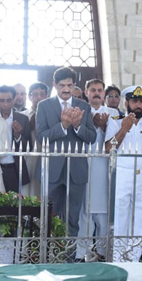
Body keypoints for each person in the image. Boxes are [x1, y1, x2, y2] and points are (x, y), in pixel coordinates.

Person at [36, 67, 96, 239]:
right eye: (62, 85)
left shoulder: (83, 106)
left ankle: (68, 258)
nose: (66, 89)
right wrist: (63, 126)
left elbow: (91, 137)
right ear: (54, 85)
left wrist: (77, 126)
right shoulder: (44, 106)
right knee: (48, 217)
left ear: (74, 85)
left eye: (69, 85)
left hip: (76, 171)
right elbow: (41, 137)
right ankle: (49, 257)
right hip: (52, 169)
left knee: (72, 218)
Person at [105, 85, 142, 262]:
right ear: (127, 102)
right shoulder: (115, 120)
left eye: (141, 102)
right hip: (124, 173)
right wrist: (124, 129)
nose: (139, 105)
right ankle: (119, 258)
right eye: (135, 101)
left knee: (140, 215)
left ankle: (134, 258)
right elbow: (108, 148)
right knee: (121, 216)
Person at [76, 78, 119, 261]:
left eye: (100, 90)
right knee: (84, 212)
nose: (96, 93)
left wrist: (103, 126)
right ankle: (82, 253)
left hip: (103, 168)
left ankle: (102, 252)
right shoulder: (79, 111)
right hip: (83, 165)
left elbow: (115, 139)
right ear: (86, 92)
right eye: (92, 89)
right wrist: (92, 126)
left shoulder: (113, 112)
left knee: (103, 213)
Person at [0, 85, 31, 193]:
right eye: (1, 100)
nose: (5, 104)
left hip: (13, 168)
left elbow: (29, 147)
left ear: (14, 100)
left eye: (9, 100)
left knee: (13, 205)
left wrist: (18, 135)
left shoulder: (22, 119)